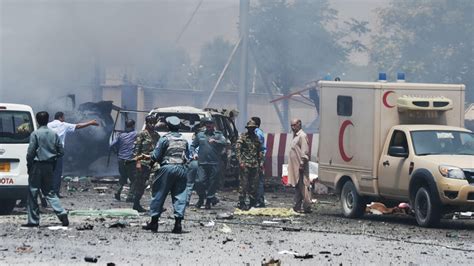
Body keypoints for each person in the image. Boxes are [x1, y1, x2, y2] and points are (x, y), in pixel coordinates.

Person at [142, 116, 189, 233]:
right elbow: (187, 156)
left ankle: (154, 223)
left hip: (167, 168)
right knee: (180, 195)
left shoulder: (164, 139)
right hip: (181, 168)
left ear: (167, 126)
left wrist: (150, 166)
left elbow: (156, 156)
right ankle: (178, 224)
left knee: (159, 193)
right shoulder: (184, 140)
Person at [23, 111, 69, 227]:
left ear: (37, 121)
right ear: (47, 120)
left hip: (37, 166)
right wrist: (53, 160)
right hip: (49, 166)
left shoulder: (35, 134)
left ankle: (33, 221)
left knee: (33, 192)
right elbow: (61, 151)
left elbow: (30, 153)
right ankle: (61, 212)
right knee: (50, 192)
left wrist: (29, 165)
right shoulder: (54, 134)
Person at [47, 111, 99, 197]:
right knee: (57, 172)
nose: (64, 119)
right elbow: (78, 126)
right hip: (58, 151)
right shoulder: (63, 125)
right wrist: (90, 123)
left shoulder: (48, 125)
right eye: (63, 117)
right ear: (60, 117)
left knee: (49, 171)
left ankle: (48, 191)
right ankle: (55, 192)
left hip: (48, 151)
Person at [190, 117, 227, 209]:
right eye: (207, 123)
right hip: (202, 163)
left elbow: (224, 142)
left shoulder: (218, 135)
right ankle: (201, 197)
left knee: (212, 183)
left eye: (210, 123)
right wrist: (194, 154)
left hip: (214, 163)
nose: (209, 125)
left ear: (214, 125)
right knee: (199, 181)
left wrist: (216, 141)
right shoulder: (200, 135)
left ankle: (209, 200)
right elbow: (192, 146)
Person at [133, 114, 160, 212]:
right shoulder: (142, 134)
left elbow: (159, 149)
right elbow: (136, 150)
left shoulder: (156, 135)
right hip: (143, 163)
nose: (152, 125)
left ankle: (156, 206)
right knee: (141, 185)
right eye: (150, 123)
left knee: (156, 184)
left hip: (153, 163)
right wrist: (138, 162)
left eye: (154, 123)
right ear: (146, 123)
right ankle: (136, 204)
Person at [236, 120, 264, 210]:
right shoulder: (243, 137)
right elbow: (238, 150)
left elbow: (260, 150)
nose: (252, 130)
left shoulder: (256, 138)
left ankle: (252, 202)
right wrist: (240, 161)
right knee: (243, 185)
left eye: (253, 128)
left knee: (254, 185)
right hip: (245, 164)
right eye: (250, 128)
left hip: (254, 164)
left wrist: (261, 162)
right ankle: (242, 202)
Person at [110, 119, 137, 202]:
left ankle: (117, 192)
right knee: (134, 179)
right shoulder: (135, 134)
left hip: (121, 159)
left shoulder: (121, 135)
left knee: (123, 177)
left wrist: (116, 152)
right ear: (133, 126)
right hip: (130, 160)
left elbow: (111, 145)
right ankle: (130, 196)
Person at [288, 119, 312, 213]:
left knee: (304, 186)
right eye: (291, 126)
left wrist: (302, 163)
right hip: (295, 166)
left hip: (300, 166)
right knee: (298, 186)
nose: (292, 127)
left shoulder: (302, 136)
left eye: (294, 125)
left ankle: (307, 206)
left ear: (299, 124)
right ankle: (297, 206)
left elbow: (305, 151)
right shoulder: (295, 136)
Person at [251, 116, 266, 207]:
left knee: (258, 180)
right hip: (254, 159)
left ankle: (259, 200)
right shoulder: (256, 132)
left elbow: (258, 148)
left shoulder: (257, 134)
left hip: (257, 159)